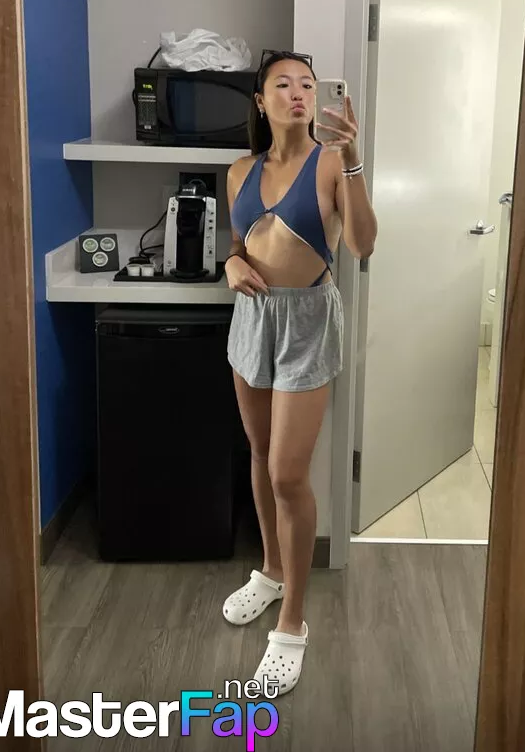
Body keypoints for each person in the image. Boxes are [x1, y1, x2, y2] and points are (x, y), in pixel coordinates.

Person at [221, 49, 377, 696]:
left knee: (289, 473)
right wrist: (230, 264)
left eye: (307, 85)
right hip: (254, 321)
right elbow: (239, 246)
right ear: (261, 101)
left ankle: (292, 624)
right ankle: (271, 569)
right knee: (261, 457)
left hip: (309, 321)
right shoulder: (240, 171)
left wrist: (355, 160)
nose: (298, 93)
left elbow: (363, 244)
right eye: (282, 84)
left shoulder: (333, 163)